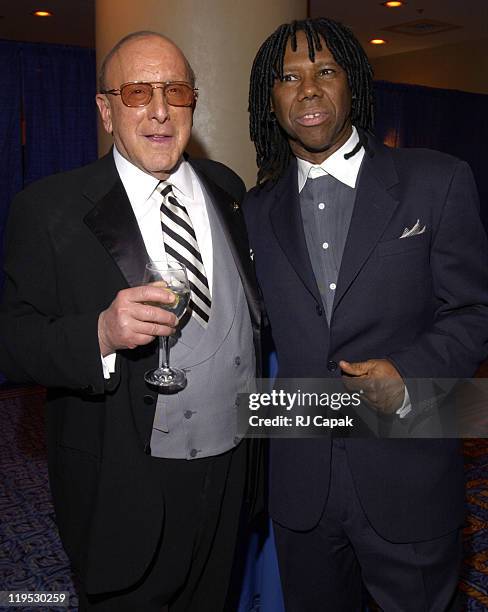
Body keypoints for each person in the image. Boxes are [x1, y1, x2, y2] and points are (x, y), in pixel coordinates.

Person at [0, 31, 262, 612]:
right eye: (138, 92)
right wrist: (98, 333)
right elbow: (13, 343)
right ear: (105, 110)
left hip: (229, 469)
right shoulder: (47, 209)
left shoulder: (228, 188)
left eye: (176, 91)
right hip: (123, 478)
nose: (161, 111)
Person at [244, 17, 488, 612]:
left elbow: (474, 310)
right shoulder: (255, 210)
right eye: (288, 77)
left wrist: (409, 373)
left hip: (408, 475)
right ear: (268, 99)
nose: (308, 89)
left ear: (352, 84)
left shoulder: (437, 181)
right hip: (301, 484)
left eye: (325, 71)